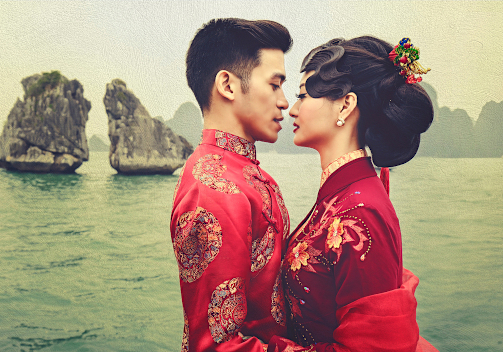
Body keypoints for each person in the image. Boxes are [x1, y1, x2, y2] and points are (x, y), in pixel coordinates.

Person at [268, 36, 439, 352]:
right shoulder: (344, 195)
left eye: (303, 95)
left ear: (345, 105)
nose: (292, 109)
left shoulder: (359, 211)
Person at [170, 18, 292, 351]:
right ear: (228, 85)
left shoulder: (248, 175)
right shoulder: (212, 190)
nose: (285, 102)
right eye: (274, 84)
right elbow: (217, 346)